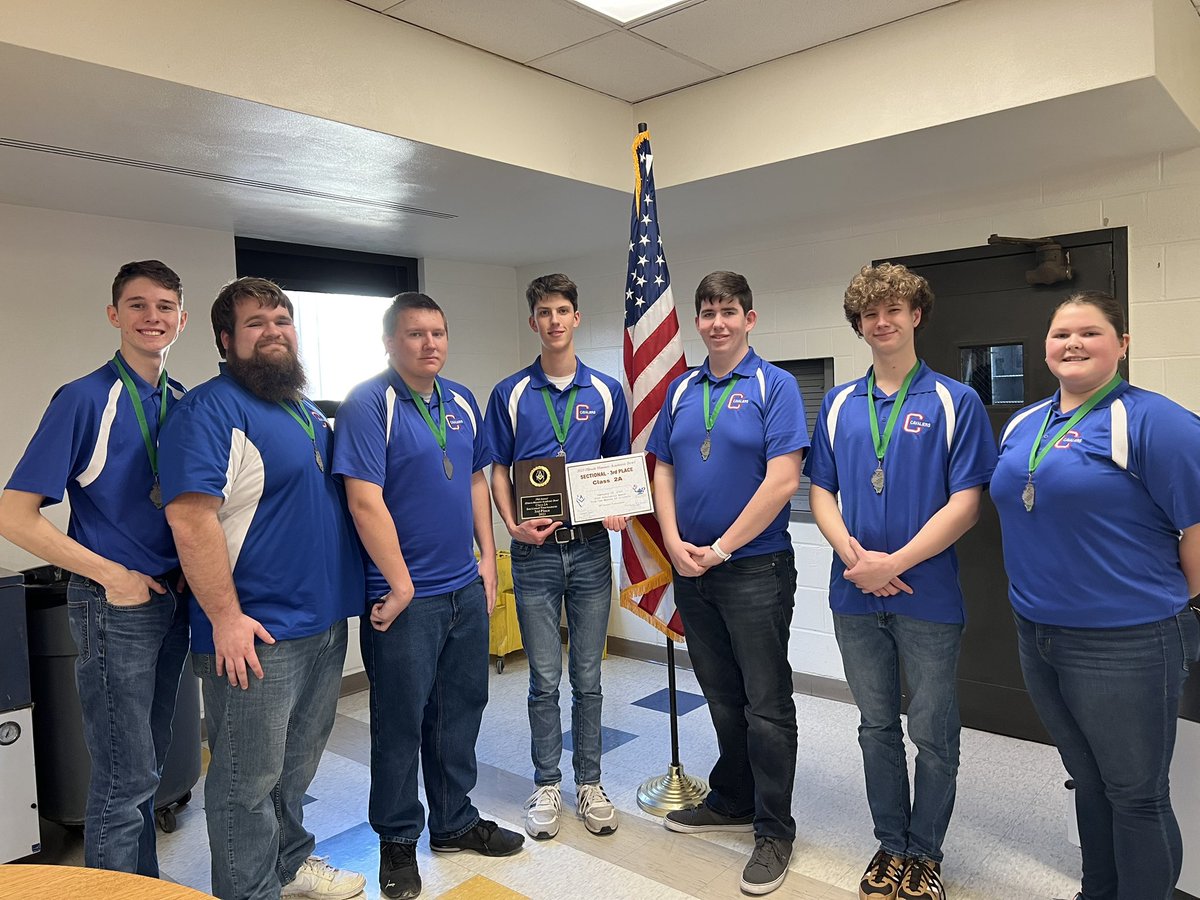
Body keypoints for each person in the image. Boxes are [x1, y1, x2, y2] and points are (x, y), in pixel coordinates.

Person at [158, 277, 366, 900]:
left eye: (282, 319)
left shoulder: (301, 409)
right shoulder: (211, 410)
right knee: (245, 781)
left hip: (322, 623)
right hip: (254, 632)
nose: (273, 331)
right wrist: (225, 618)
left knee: (295, 766)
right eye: (256, 322)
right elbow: (190, 517)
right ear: (226, 339)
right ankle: (249, 891)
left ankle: (290, 864)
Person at [992, 290, 1200, 900]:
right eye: (1061, 334)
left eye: (1090, 332)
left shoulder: (1157, 422)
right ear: (1045, 348)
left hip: (1127, 641)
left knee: (1136, 795)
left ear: (1122, 345)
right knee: (1087, 780)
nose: (1073, 343)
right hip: (1038, 632)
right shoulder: (1025, 424)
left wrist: (1160, 601)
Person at [805, 263, 996, 900]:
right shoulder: (839, 404)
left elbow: (967, 503)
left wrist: (895, 563)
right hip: (853, 592)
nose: (881, 321)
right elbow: (822, 491)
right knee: (876, 727)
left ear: (916, 316)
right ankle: (891, 845)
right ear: (858, 325)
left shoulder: (955, 401)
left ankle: (926, 854)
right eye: (870, 313)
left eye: (894, 309)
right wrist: (856, 558)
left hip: (928, 596)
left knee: (934, 733)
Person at [0, 260, 190, 877]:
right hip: (116, 606)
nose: (152, 317)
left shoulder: (182, 401)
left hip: (173, 600)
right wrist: (113, 576)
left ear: (182, 319)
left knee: (149, 767)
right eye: (137, 305)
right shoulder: (84, 399)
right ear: (114, 315)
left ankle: (142, 887)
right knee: (123, 778)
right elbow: (13, 515)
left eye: (164, 306)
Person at [334, 292, 523, 900]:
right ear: (390, 342)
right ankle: (396, 839)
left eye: (437, 332)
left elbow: (474, 481)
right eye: (415, 334)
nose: (429, 343)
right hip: (404, 600)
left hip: (463, 587)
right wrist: (401, 583)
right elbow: (363, 500)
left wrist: (487, 560)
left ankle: (454, 822)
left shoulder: (461, 400)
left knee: (460, 711)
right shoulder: (370, 403)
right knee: (399, 723)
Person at [647, 271, 808, 896]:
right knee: (720, 695)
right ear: (697, 321)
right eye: (708, 312)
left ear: (749, 318)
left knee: (766, 703)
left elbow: (783, 480)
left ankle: (774, 829)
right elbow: (662, 469)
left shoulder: (775, 385)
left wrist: (719, 548)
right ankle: (734, 797)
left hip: (754, 569)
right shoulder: (681, 389)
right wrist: (672, 541)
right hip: (692, 570)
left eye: (729, 311)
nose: (717, 323)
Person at [485, 274, 630, 842]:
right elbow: (498, 469)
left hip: (591, 549)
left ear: (576, 318)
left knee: (588, 678)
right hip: (535, 553)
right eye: (544, 312)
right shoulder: (511, 392)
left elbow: (618, 466)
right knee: (544, 679)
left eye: (563, 310)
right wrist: (511, 524)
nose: (554, 320)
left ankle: (590, 783)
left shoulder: (606, 391)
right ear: (533, 322)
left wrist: (616, 507)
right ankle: (546, 783)